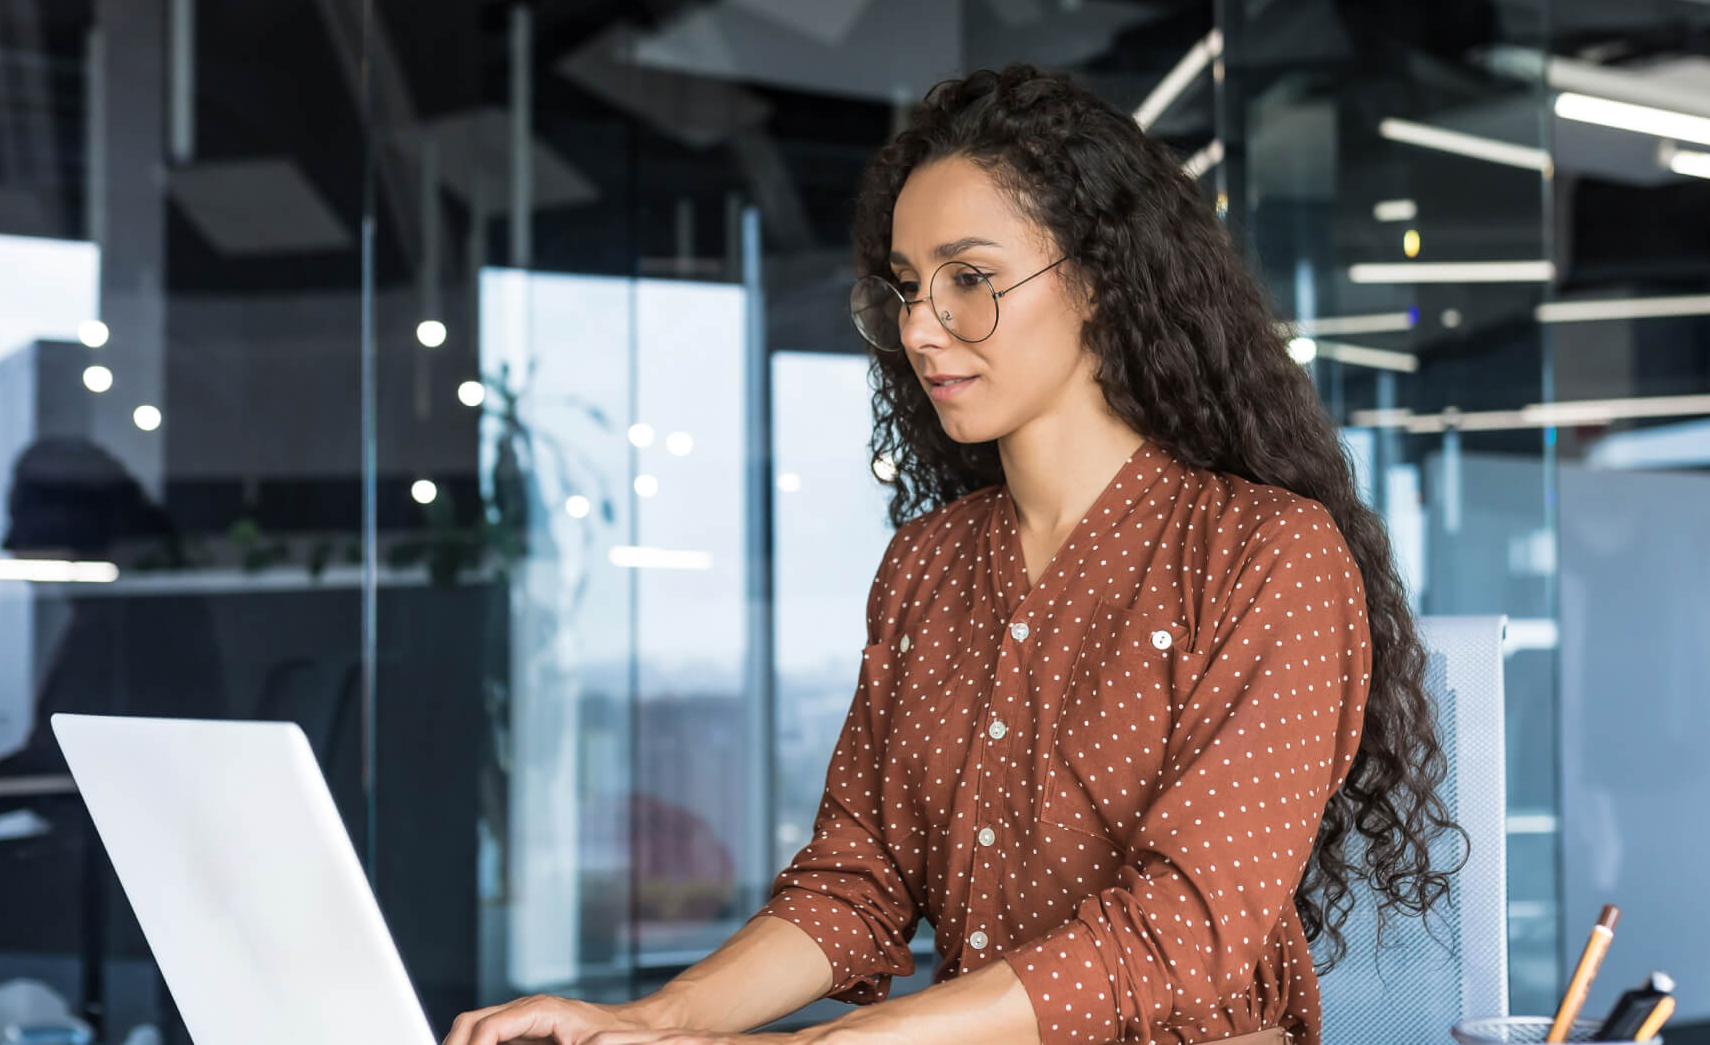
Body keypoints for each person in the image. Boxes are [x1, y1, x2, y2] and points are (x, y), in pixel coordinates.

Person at [444, 64, 1458, 1045]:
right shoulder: (927, 567)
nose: (922, 329)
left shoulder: (1264, 553)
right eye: (904, 288)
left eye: (969, 280)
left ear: (1101, 278)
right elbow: (856, 882)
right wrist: (640, 1019)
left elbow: (1182, 931)